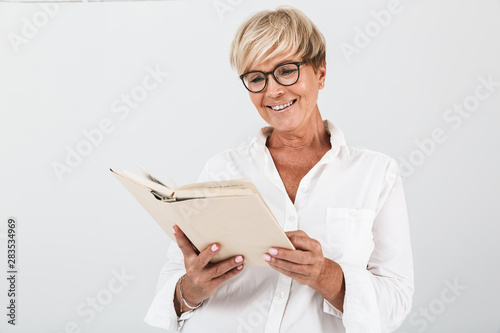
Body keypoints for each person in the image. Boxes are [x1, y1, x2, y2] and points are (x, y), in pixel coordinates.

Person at [144, 6, 413, 333]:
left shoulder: (376, 173)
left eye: (286, 70)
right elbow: (171, 287)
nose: (272, 91)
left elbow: (396, 302)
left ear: (321, 74)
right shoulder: (222, 169)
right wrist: (192, 288)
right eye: (257, 78)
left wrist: (324, 274)